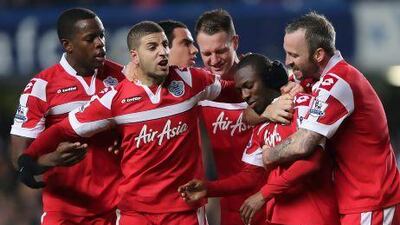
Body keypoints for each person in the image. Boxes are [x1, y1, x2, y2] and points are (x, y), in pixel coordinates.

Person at [17, 21, 240, 225]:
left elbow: (235, 90)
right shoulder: (115, 98)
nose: (162, 51)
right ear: (135, 56)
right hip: (135, 213)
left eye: (164, 45)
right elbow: (64, 129)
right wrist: (29, 157)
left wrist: (267, 86)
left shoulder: (191, 80)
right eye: (152, 47)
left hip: (183, 211)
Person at [262, 12, 400, 224]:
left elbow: (303, 144)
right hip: (358, 201)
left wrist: (269, 155)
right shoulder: (317, 81)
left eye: (294, 55)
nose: (288, 62)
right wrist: (268, 111)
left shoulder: (338, 82)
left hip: (371, 201)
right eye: (286, 53)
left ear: (318, 55)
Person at [178, 54, 340, 225]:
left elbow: (312, 162)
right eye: (240, 90)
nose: (245, 95)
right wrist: (209, 189)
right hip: (279, 217)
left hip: (314, 217)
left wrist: (264, 194)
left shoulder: (302, 104)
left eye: (249, 86)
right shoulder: (260, 127)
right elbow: (251, 176)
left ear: (268, 80)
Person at [10, 8, 125, 225]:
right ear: (67, 45)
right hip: (65, 214)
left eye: (101, 35)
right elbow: (19, 155)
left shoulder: (123, 78)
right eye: (90, 38)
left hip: (118, 212)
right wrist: (51, 160)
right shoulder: (41, 87)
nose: (100, 43)